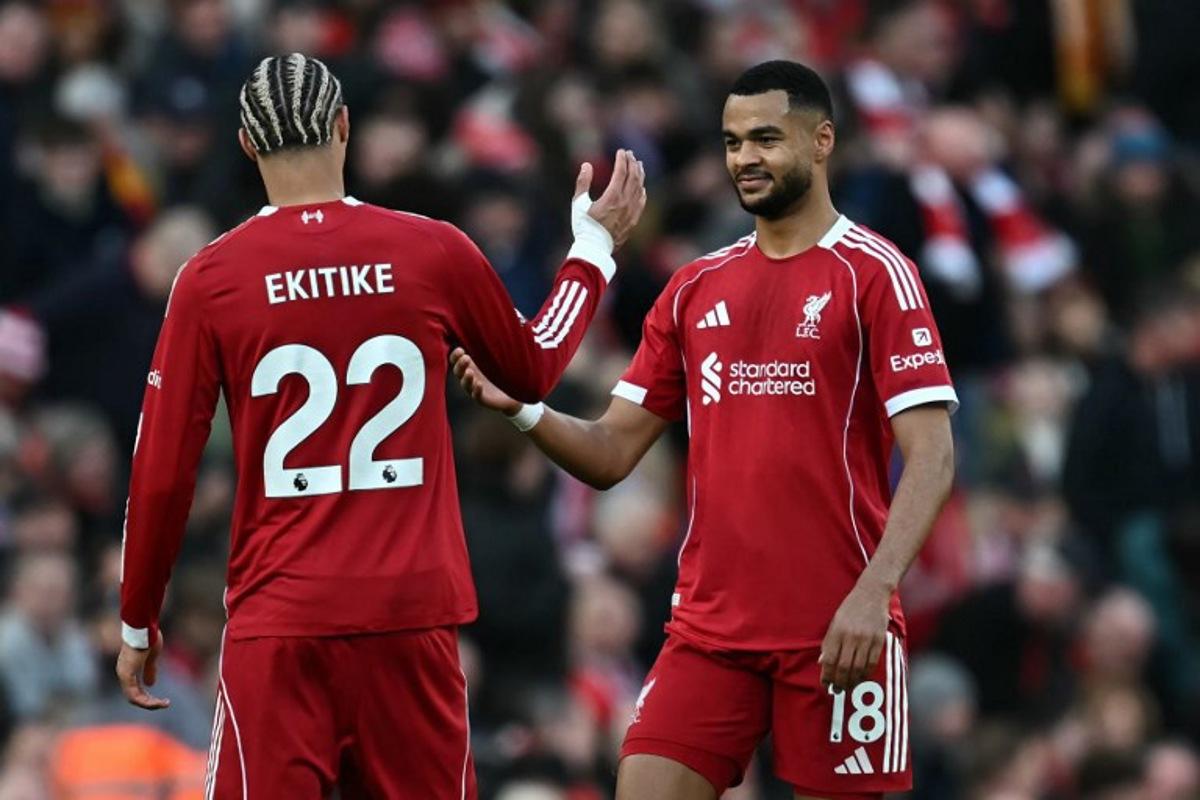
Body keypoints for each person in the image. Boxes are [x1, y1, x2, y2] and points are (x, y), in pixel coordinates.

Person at [115, 53, 645, 799]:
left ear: (244, 143)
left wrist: (138, 620)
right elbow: (535, 364)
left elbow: (162, 470)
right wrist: (593, 249)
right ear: (343, 126)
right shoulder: (430, 248)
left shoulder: (213, 278)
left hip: (284, 618)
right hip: (409, 616)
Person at [452, 60, 956, 800]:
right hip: (710, 631)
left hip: (841, 626)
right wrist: (525, 410)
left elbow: (934, 456)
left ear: (821, 141)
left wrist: (873, 594)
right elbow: (612, 451)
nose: (744, 158)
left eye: (764, 138)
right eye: (730, 142)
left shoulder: (876, 274)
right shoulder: (695, 287)